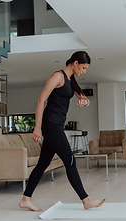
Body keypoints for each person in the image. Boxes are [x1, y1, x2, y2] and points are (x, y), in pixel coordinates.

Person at [19, 51, 106, 212]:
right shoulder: (57, 77)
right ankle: (85, 199)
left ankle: (26, 199)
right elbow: (41, 99)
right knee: (70, 159)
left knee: (43, 164)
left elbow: (83, 97)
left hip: (57, 124)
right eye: (84, 67)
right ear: (75, 63)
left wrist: (84, 101)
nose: (84, 71)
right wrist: (37, 127)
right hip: (50, 124)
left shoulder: (71, 80)